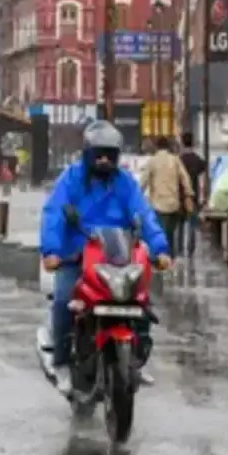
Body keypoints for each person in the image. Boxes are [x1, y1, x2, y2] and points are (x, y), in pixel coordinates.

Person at [40, 120, 171, 396]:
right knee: (65, 300)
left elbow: (144, 215)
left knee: (141, 300)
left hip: (116, 254)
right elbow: (53, 214)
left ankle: (136, 358)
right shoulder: (71, 179)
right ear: (88, 153)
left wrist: (160, 249)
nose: (103, 160)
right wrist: (51, 251)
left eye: (109, 155)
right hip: (76, 255)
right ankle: (62, 362)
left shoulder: (125, 183)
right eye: (98, 154)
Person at [141, 135, 194, 257]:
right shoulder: (175, 160)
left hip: (158, 205)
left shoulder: (152, 161)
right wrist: (188, 195)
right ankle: (171, 259)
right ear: (168, 147)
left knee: (160, 233)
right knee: (170, 235)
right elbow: (185, 178)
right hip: (173, 205)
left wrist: (136, 197)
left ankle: (162, 260)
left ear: (156, 147)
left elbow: (143, 182)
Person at [178, 132, 207, 256]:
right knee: (192, 224)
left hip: (180, 196)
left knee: (180, 224)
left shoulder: (178, 160)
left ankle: (179, 250)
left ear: (182, 142)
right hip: (193, 196)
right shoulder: (198, 160)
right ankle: (191, 250)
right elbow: (203, 176)